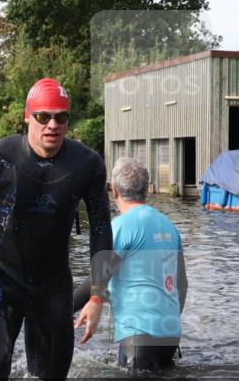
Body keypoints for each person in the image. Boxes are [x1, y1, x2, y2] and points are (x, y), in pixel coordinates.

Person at [0, 77, 114, 381]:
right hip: (2, 282)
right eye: (43, 116)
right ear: (27, 117)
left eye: (61, 117)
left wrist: (97, 296)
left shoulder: (87, 164)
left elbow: (102, 230)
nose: (52, 125)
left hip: (53, 287)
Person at [74, 157, 187, 370]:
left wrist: (62, 310)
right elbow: (182, 285)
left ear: (114, 190)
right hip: (171, 335)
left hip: (138, 336)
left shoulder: (120, 227)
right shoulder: (169, 226)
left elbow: (97, 279)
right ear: (147, 188)